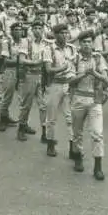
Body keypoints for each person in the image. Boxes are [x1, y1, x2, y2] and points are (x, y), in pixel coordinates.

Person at [69, 30, 108, 180]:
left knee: (97, 133)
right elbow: (70, 80)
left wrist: (94, 73)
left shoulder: (98, 58)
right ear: (80, 44)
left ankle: (98, 167)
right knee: (77, 132)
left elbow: (105, 79)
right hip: (78, 98)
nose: (87, 45)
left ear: (93, 43)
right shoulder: (74, 59)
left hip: (95, 100)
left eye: (89, 42)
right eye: (84, 42)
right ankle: (78, 157)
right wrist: (83, 74)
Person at [42, 23, 76, 158]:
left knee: (71, 118)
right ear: (55, 35)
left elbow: (76, 65)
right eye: (61, 33)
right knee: (51, 117)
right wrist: (63, 68)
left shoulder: (72, 49)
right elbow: (48, 69)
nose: (65, 35)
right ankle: (50, 144)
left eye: (66, 33)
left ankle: (73, 149)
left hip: (68, 84)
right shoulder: (49, 49)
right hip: (54, 85)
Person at [16, 20, 47, 142]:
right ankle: (21, 128)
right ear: (32, 30)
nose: (38, 30)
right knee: (26, 104)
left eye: (40, 28)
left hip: (42, 76)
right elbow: (22, 60)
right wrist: (35, 62)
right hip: (29, 75)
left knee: (43, 105)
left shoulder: (47, 43)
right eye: (36, 28)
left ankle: (45, 133)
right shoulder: (26, 42)